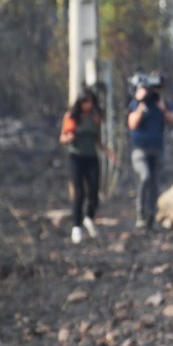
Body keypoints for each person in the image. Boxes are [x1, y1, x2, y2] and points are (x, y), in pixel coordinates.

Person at [59, 89, 113, 244]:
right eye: (85, 102)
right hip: (76, 158)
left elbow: (97, 139)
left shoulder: (95, 117)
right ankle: (76, 227)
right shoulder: (71, 116)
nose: (87, 105)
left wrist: (108, 152)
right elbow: (62, 138)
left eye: (89, 102)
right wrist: (69, 137)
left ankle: (89, 218)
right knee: (79, 193)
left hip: (92, 157)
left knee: (94, 192)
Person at [127, 73, 173, 229]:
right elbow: (132, 124)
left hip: (157, 149)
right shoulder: (137, 103)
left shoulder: (162, 103)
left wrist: (164, 110)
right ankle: (140, 213)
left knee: (154, 184)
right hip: (140, 150)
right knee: (145, 177)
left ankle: (151, 216)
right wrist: (141, 103)